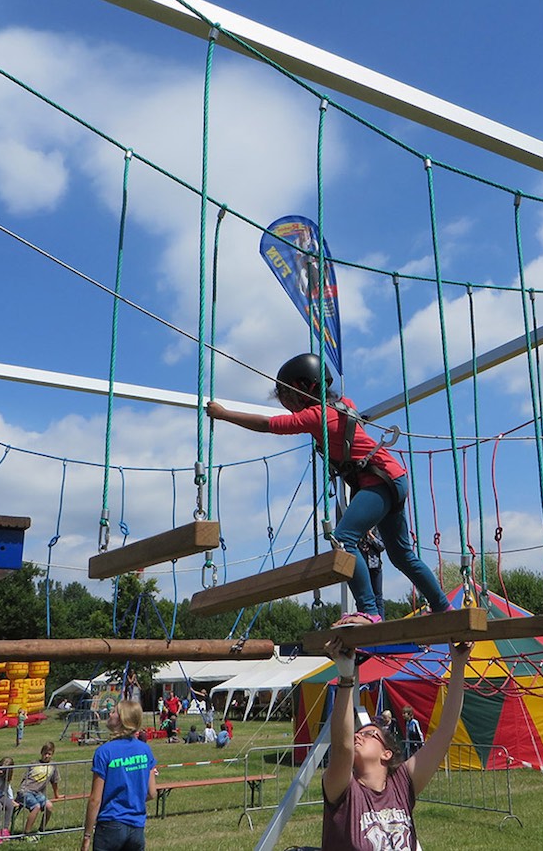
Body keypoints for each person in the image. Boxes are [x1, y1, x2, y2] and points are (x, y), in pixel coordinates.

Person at [207, 353, 451, 625]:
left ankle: (369, 612)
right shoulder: (343, 405)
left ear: (302, 388)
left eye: (286, 397)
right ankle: (442, 606)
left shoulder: (317, 415)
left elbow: (268, 425)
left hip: (378, 481)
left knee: (344, 538)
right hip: (391, 478)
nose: (286, 406)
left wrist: (223, 414)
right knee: (402, 555)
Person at [322, 638, 472, 849]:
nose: (358, 736)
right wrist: (346, 677)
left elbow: (446, 732)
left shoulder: (402, 783)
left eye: (369, 734)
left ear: (387, 754)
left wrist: (458, 665)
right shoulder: (343, 790)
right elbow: (342, 748)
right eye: (358, 733)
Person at [81, 699, 157, 851]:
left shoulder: (104, 752)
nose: (110, 713)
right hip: (137, 827)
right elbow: (152, 792)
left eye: (114, 711)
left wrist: (87, 835)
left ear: (123, 720)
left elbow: (95, 799)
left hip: (110, 824)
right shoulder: (145, 750)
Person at [18, 742, 61, 841]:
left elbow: (54, 782)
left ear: (52, 754)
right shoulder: (33, 764)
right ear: (41, 753)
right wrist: (20, 793)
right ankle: (26, 834)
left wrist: (56, 795)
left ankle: (41, 830)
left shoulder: (53, 766)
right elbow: (24, 779)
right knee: (36, 807)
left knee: (49, 806)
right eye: (45, 753)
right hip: (26, 791)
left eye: (49, 754)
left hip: (38, 793)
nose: (47, 756)